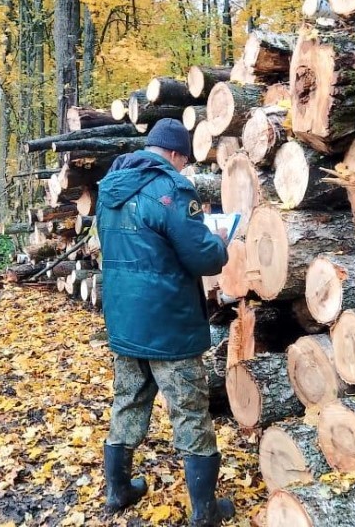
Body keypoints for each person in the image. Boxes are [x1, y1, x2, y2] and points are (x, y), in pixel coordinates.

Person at [95, 118, 234, 526]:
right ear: (174, 154)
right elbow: (203, 256)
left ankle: (118, 489)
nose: (185, 168)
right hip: (169, 323)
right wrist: (220, 242)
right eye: (184, 160)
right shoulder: (171, 189)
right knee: (190, 412)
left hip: (124, 318)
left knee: (128, 400)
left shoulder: (110, 188)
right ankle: (204, 512)